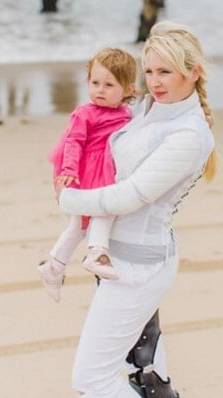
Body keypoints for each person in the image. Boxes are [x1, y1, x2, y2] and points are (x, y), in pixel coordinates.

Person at [54, 22, 217, 397]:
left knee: (90, 379)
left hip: (139, 266)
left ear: (194, 72)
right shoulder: (146, 107)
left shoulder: (189, 135)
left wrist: (69, 200)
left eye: (165, 72)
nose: (155, 82)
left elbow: (131, 194)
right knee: (140, 374)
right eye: (149, 71)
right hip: (115, 255)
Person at [38, 48, 137, 302]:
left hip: (109, 169)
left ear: (127, 89)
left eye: (108, 85)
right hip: (88, 171)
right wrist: (69, 169)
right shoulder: (85, 113)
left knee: (78, 226)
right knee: (105, 210)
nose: (100, 90)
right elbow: (73, 141)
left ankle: (53, 268)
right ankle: (97, 253)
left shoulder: (127, 114)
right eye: (95, 83)